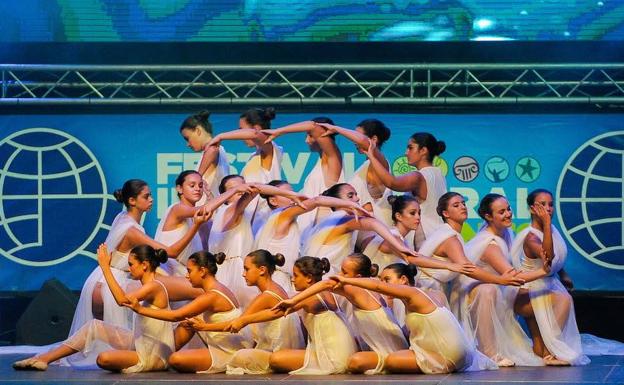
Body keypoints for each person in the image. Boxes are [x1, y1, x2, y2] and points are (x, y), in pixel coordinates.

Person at [67, 179, 209, 367]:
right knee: (195, 290)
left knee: (178, 290)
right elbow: (171, 253)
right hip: (113, 281)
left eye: (150, 195)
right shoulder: (132, 230)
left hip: (102, 280)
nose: (151, 199)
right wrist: (196, 225)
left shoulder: (123, 217)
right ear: (132, 201)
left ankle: (172, 346)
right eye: (146, 196)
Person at [13, 244, 175, 372]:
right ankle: (45, 358)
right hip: (142, 343)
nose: (129, 268)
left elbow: (121, 300)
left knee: (103, 358)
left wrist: (105, 268)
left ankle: (45, 358)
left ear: (145, 265)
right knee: (94, 326)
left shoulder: (154, 286)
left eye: (131, 264)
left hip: (153, 355)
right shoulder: (145, 285)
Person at [331, 264, 496, 374]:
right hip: (460, 353)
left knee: (392, 360)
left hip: (449, 355)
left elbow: (378, 287)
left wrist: (347, 280)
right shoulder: (428, 295)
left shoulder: (414, 293)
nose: (383, 283)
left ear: (403, 280)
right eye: (382, 279)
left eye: (387, 279)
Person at [275, 253, 408, 374]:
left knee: (355, 361)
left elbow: (326, 284)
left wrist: (293, 300)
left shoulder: (356, 289)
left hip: (390, 351)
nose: (339, 275)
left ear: (358, 277)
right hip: (394, 348)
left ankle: (393, 363)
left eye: (344, 272)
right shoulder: (370, 285)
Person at [124, 250, 254, 373]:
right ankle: (158, 356)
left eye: (189, 271)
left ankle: (160, 359)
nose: (187, 276)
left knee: (176, 360)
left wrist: (141, 309)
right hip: (231, 342)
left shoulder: (211, 296)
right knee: (188, 323)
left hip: (230, 349)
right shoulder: (217, 288)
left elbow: (176, 315)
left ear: (202, 271)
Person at [457, 193, 548, 367]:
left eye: (508, 209)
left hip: (499, 288)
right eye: (501, 212)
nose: (508, 214)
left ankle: (544, 348)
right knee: (489, 290)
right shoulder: (490, 244)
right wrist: (543, 271)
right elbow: (512, 276)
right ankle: (489, 352)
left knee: (536, 294)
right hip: (477, 294)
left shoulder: (506, 233)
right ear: (488, 217)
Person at [510, 189, 590, 366]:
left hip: (547, 286)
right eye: (542, 205)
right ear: (532, 209)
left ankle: (544, 352)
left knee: (538, 350)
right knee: (564, 299)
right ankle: (552, 352)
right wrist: (546, 224)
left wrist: (563, 274)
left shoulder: (551, 230)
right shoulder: (531, 237)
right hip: (529, 294)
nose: (548, 209)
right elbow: (548, 257)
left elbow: (556, 260)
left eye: (551, 204)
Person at [256, 179, 371, 294]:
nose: (293, 197)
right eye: (286, 194)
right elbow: (317, 201)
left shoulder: (275, 220)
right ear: (273, 200)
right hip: (277, 279)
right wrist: (350, 205)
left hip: (276, 277)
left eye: (293, 192)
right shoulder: (283, 215)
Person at [208, 175, 305, 307]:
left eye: (243, 185)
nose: (241, 189)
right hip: (233, 275)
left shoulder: (241, 214)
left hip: (237, 270)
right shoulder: (230, 209)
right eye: (234, 188)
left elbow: (255, 187)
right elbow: (256, 188)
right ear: (226, 195)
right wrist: (290, 194)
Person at [417, 192, 525, 307]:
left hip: (435, 289)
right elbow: (467, 269)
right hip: (427, 290)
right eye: (456, 205)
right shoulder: (450, 239)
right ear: (445, 213)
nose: (463, 207)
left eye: (463, 203)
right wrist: (500, 280)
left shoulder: (451, 234)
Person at [268, 256, 358, 374]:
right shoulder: (329, 293)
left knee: (276, 359)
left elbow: (277, 312)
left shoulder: (311, 296)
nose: (293, 280)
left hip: (333, 358)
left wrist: (243, 320)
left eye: (296, 275)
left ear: (309, 278)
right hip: (342, 353)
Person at [222, 249, 305, 374]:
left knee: (236, 357)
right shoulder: (276, 287)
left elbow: (238, 323)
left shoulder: (267, 296)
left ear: (262, 270)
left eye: (247, 269)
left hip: (279, 353)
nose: (243, 274)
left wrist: (203, 327)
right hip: (280, 350)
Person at [155, 170, 252, 277]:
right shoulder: (177, 209)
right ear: (179, 188)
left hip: (186, 274)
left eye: (200, 185)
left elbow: (211, 240)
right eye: (192, 185)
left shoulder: (197, 220)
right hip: (168, 273)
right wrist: (234, 190)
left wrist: (210, 197)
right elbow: (202, 210)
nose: (197, 189)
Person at [364, 132, 447, 248]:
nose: (406, 152)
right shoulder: (438, 173)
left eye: (410, 148)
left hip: (423, 239)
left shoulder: (419, 176)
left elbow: (391, 182)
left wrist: (372, 157)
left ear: (423, 150)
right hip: (437, 237)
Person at [207, 107, 282, 234]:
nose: (240, 134)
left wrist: (221, 136)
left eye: (241, 130)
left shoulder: (272, 150)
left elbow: (255, 135)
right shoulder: (253, 157)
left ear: (257, 128)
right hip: (249, 218)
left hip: (263, 219)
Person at [262, 117, 343, 231]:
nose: (306, 140)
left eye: (310, 136)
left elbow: (312, 126)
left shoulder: (333, 160)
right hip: (311, 231)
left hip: (325, 229)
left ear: (324, 135)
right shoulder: (320, 163)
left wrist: (278, 131)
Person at [318, 119, 393, 226]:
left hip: (380, 231)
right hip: (365, 231)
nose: (354, 141)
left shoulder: (381, 162)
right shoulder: (365, 165)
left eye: (357, 136)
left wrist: (336, 128)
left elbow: (363, 142)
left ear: (374, 139)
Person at [179, 111, 230, 203]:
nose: (187, 144)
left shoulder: (214, 147)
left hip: (211, 213)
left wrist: (196, 177)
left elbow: (213, 150)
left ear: (198, 131)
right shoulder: (212, 150)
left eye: (187, 138)